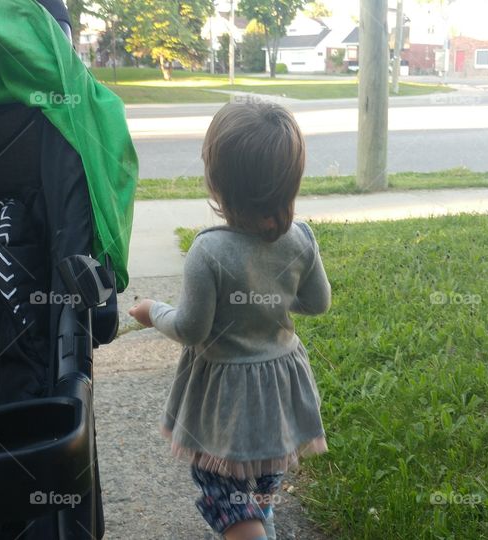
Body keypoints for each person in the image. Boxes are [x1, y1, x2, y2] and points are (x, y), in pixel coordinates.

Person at [129, 102, 331, 540]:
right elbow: (317, 303)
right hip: (278, 394)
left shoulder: (208, 252)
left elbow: (191, 330)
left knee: (227, 498)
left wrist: (151, 312)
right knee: (259, 492)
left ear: (216, 180)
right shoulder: (301, 239)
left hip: (225, 404)